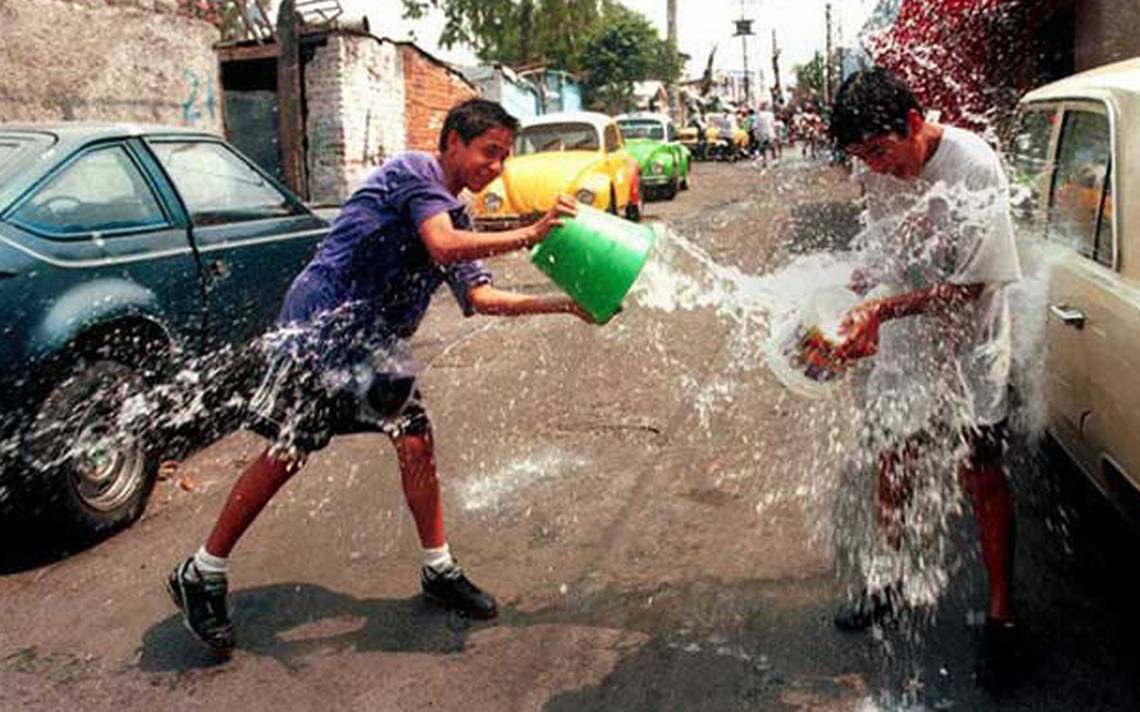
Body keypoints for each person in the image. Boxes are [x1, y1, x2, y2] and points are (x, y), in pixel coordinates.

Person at [167, 98, 593, 655]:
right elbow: (439, 243)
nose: (496, 167)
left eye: (504, 158)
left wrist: (564, 304)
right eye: (490, 152)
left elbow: (482, 297)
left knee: (415, 439)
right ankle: (202, 571)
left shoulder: (459, 218)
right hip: (321, 329)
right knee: (290, 451)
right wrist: (529, 234)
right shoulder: (413, 175)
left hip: (374, 344)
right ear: (454, 143)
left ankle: (437, 569)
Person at [817, 68, 1021, 681]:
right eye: (861, 158)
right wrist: (846, 299)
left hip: (971, 344)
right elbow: (881, 246)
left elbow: (975, 287)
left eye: (880, 152)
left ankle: (1003, 614)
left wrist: (880, 309)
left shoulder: (973, 167)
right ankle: (892, 583)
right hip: (905, 339)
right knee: (894, 462)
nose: (876, 169)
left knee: (980, 473)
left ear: (912, 123)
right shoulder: (873, 168)